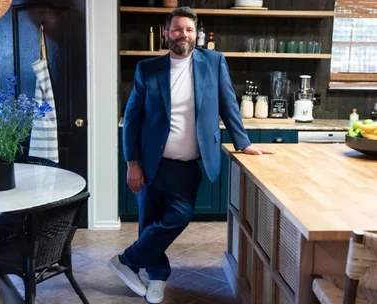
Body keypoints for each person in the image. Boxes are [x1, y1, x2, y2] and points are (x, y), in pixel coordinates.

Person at [108, 6, 274, 304]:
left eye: (188, 29)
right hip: (151, 164)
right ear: (165, 33)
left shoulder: (213, 62)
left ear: (196, 33)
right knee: (149, 222)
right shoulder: (148, 69)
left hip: (187, 166)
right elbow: (131, 118)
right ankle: (156, 278)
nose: (182, 34)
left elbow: (228, 105)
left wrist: (243, 142)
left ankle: (126, 260)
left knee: (179, 217)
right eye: (176, 29)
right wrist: (132, 163)